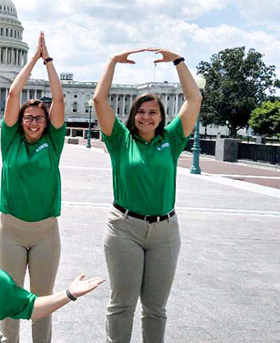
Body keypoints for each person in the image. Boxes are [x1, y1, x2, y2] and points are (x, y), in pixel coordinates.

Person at [92, 48, 202, 343]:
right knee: (122, 304)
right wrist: (112, 62)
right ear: (132, 115)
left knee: (156, 308)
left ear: (162, 117)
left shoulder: (172, 139)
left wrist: (179, 61)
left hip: (165, 231)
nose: (146, 117)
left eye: (153, 112)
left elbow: (194, 99)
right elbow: (99, 100)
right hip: (124, 227)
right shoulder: (119, 139)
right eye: (141, 111)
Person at [0, 32, 65, 343]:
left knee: (42, 302)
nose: (34, 122)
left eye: (40, 117)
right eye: (29, 117)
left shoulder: (54, 142)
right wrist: (31, 61)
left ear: (46, 121)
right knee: (10, 301)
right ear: (20, 120)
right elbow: (12, 95)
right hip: (10, 230)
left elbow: (60, 99)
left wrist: (48, 60)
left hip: (45, 232)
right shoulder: (9, 141)